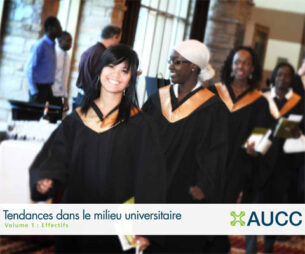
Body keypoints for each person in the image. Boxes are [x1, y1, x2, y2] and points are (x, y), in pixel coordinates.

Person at [30, 44, 166, 253]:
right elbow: (55, 156)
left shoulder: (140, 124)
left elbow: (150, 180)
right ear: (100, 69)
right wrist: (46, 178)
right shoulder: (77, 120)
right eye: (111, 66)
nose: (116, 75)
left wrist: (144, 228)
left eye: (124, 70)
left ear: (131, 77)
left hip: (116, 224)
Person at [142, 39, 229, 253]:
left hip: (186, 194)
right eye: (170, 61)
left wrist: (204, 186)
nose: (170, 66)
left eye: (176, 62)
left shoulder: (213, 108)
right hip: (151, 189)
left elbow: (216, 155)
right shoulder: (156, 100)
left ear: (193, 66)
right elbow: (138, 140)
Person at [208, 46, 273, 254]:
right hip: (209, 163)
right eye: (237, 62)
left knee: (223, 210)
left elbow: (262, 134)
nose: (240, 66)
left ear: (252, 68)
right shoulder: (213, 93)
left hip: (237, 166)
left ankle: (218, 247)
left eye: (245, 63)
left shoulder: (259, 102)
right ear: (230, 65)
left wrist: (257, 150)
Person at [261, 62, 304, 253]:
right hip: (260, 159)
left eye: (287, 76)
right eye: (279, 75)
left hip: (284, 162)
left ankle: (269, 244)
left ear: (291, 80)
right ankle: (251, 244)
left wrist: (298, 133)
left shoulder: (299, 101)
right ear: (274, 76)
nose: (282, 79)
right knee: (255, 203)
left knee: (275, 202)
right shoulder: (262, 97)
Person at [74, 24, 122, 107]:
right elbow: (101, 80)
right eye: (119, 38)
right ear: (114, 36)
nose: (119, 42)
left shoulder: (89, 50)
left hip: (80, 97)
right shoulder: (103, 54)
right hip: (91, 101)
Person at [25, 16, 62, 103]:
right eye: (58, 26)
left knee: (45, 115)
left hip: (47, 88)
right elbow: (29, 68)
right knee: (34, 116)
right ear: (50, 28)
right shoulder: (40, 45)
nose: (61, 29)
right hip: (38, 89)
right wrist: (34, 91)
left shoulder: (52, 45)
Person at [51, 31, 72, 116]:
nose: (70, 44)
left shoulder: (68, 57)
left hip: (59, 97)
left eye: (71, 41)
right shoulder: (53, 54)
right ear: (59, 41)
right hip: (50, 94)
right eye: (68, 41)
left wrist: (66, 100)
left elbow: (65, 79)